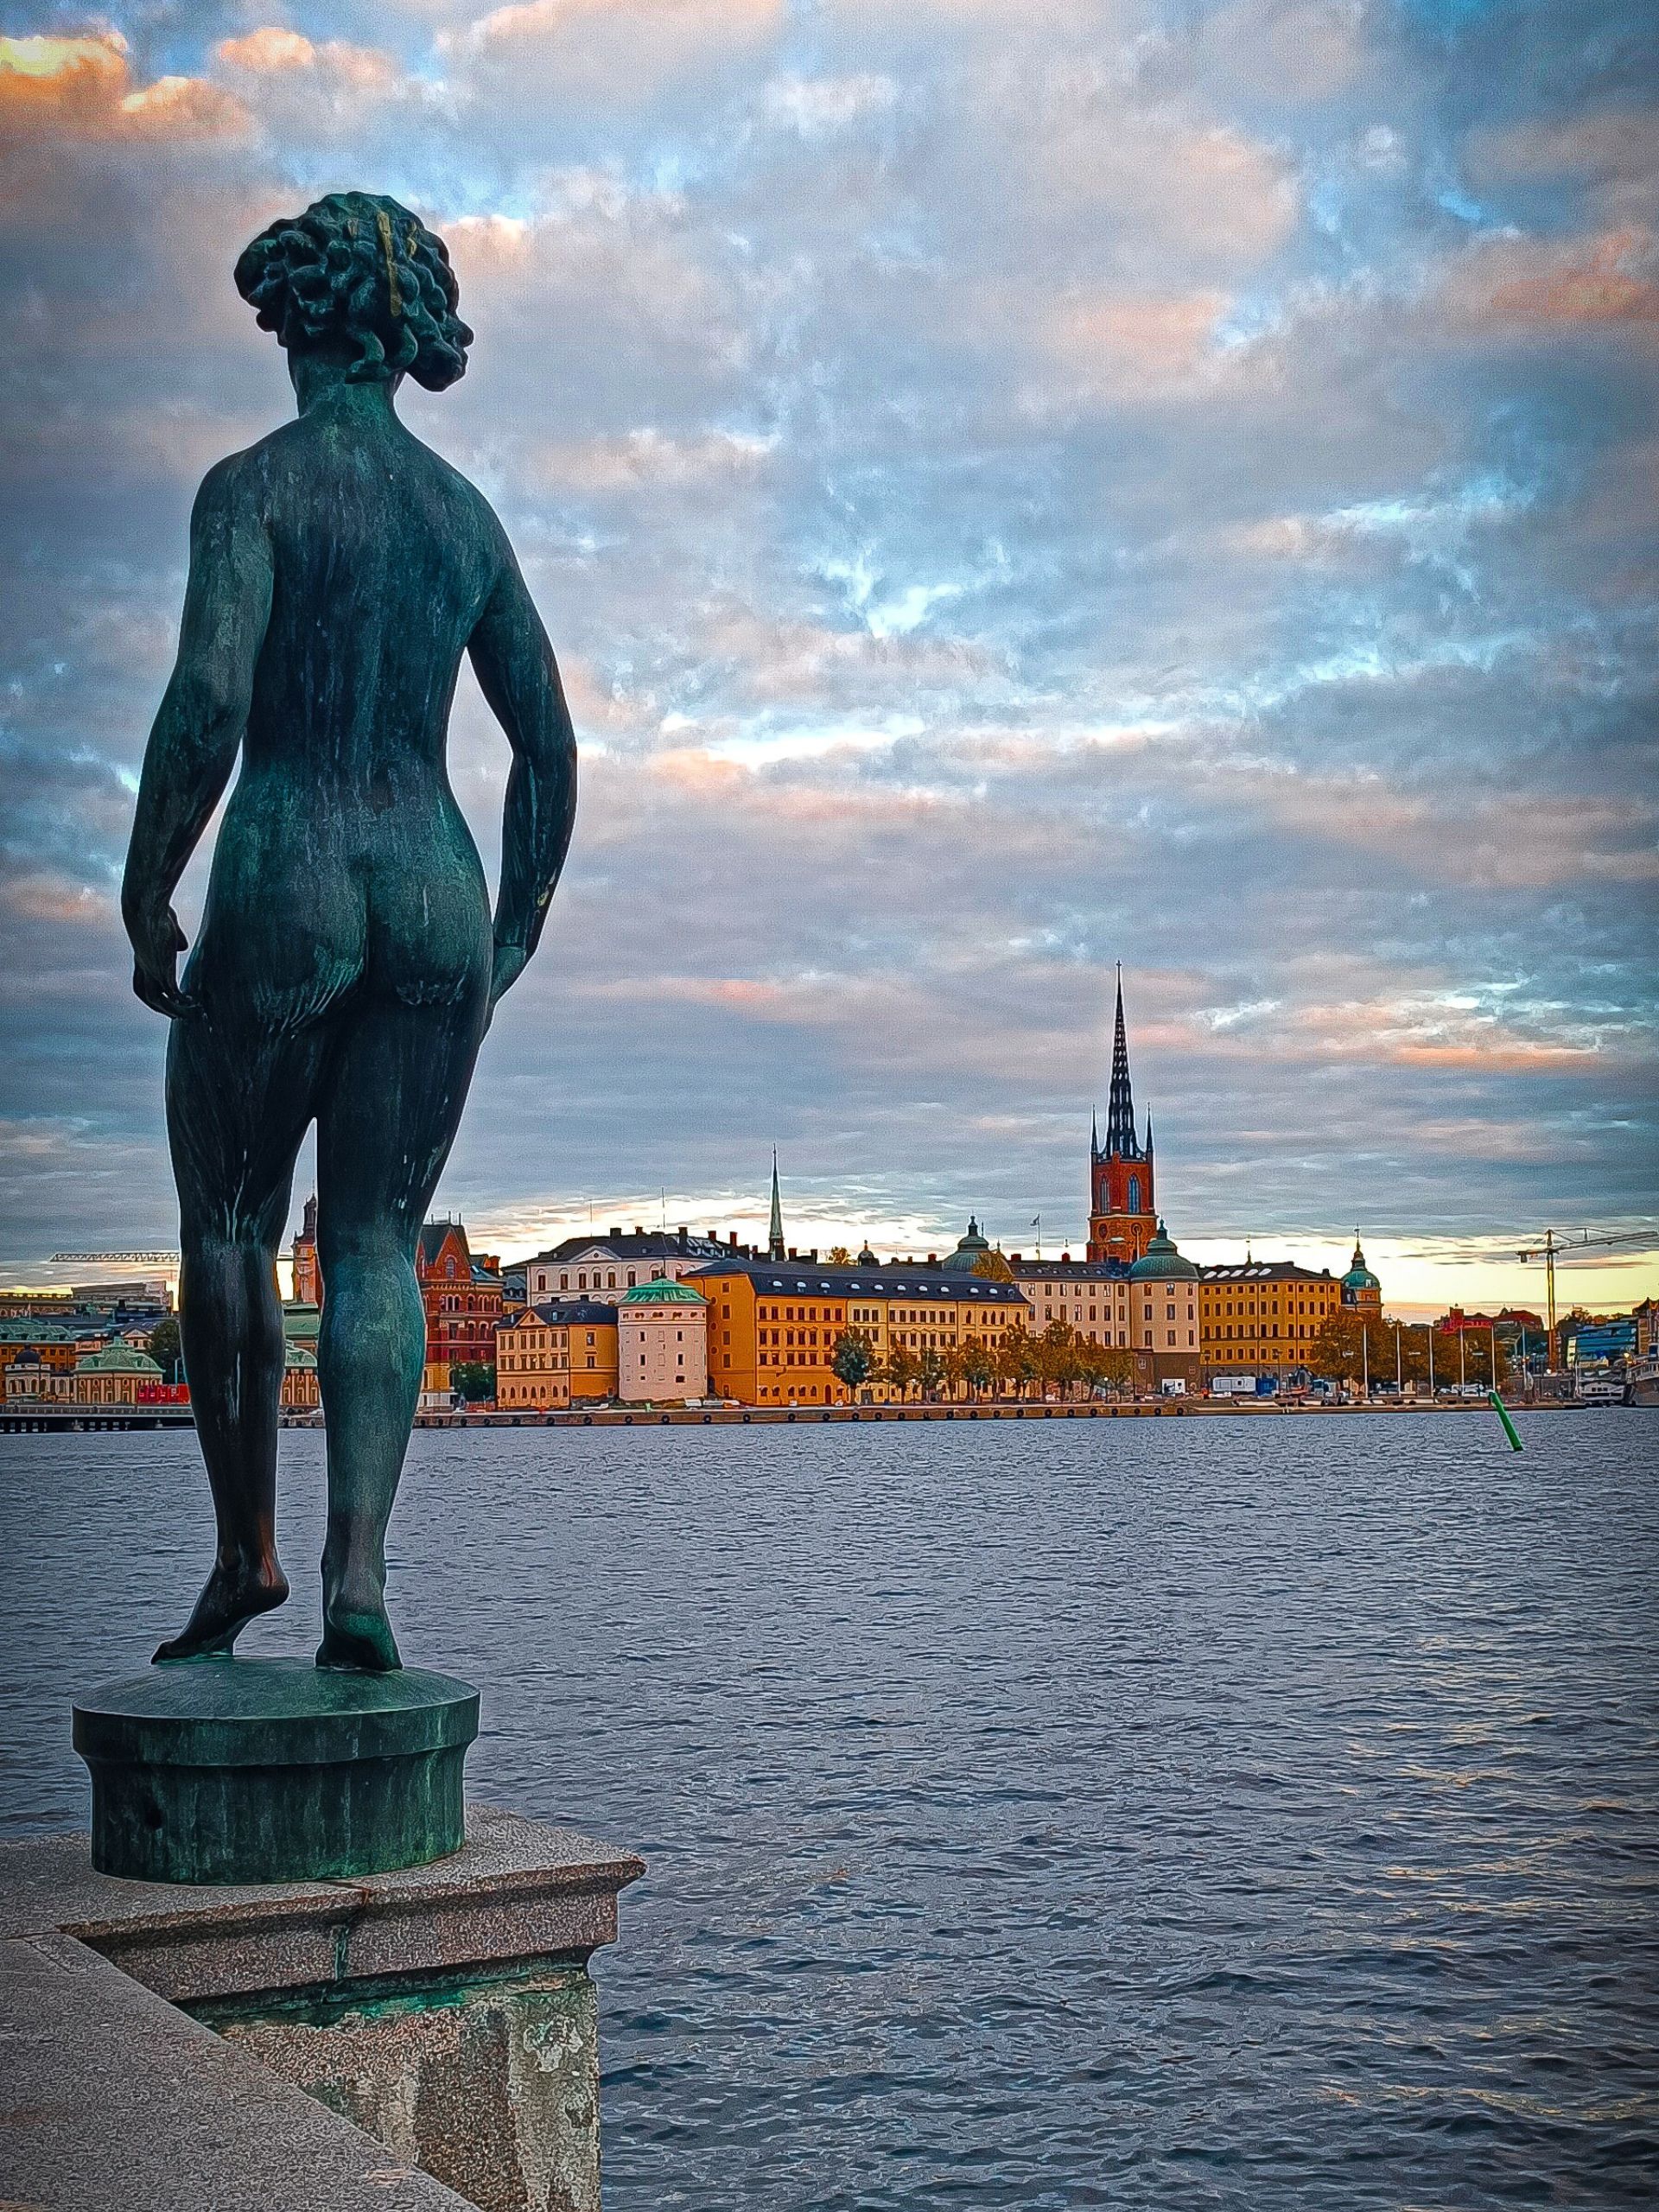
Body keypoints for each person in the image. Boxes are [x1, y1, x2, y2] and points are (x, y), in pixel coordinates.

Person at [122, 194, 575, 1670]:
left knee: (236, 1228)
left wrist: (148, 887)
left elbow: (204, 703)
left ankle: (244, 1554)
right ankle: (358, 1578)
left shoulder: (250, 490)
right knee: (376, 1241)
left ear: (299, 326)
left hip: (285, 873)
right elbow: (550, 750)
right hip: (437, 884)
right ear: (403, 337)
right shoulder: (462, 522)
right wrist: (511, 933)